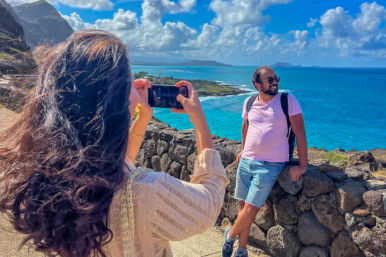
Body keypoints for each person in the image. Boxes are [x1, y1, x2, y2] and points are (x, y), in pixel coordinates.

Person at [0, 30, 229, 257]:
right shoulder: (146, 191)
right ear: (118, 98)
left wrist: (143, 117)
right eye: (130, 81)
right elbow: (209, 202)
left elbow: (119, 163)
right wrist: (199, 119)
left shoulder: (50, 175)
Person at [222, 66, 308, 257]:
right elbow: (246, 126)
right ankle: (241, 251)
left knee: (252, 208)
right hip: (246, 161)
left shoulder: (288, 100)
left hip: (270, 164)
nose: (275, 81)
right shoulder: (250, 101)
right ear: (257, 84)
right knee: (244, 207)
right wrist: (243, 149)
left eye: (276, 78)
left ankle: (231, 235)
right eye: (269, 79)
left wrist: (302, 165)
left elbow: (300, 132)